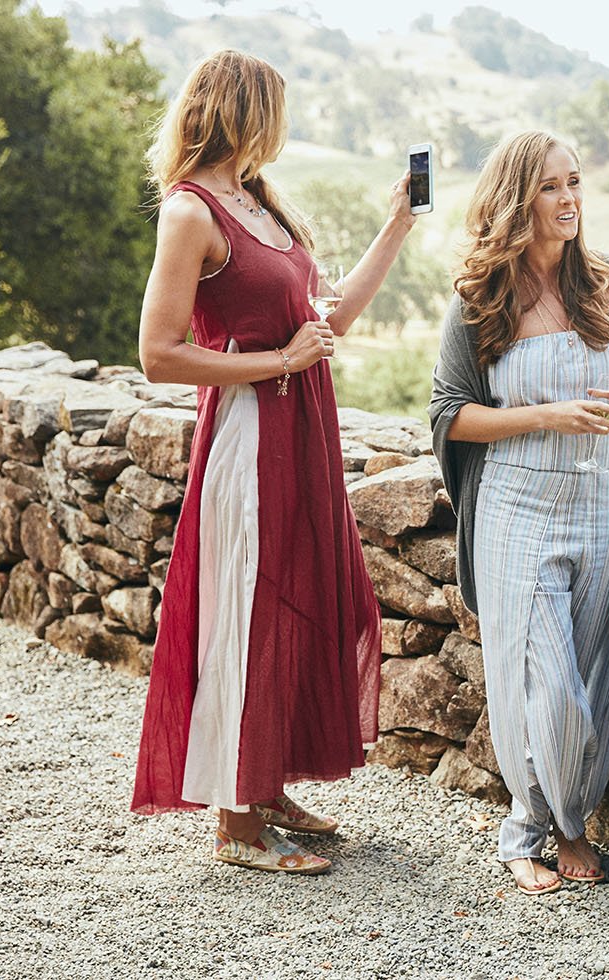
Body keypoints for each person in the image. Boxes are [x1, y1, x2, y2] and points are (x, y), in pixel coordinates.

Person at [132, 50, 420, 874]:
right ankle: (237, 826)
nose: (282, 128)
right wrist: (278, 366)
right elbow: (159, 354)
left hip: (305, 434)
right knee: (249, 608)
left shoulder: (261, 201)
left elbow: (325, 325)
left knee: (302, 604)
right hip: (251, 438)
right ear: (244, 110)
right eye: (276, 109)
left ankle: (266, 780)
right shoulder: (190, 213)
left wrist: (397, 224)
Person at [428, 130, 609, 897]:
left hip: (608, 500)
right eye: (552, 187)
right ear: (517, 200)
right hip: (519, 502)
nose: (570, 200)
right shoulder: (480, 300)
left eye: (576, 183)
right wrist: (544, 417)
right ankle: (526, 826)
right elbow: (450, 415)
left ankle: (569, 825)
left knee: (597, 673)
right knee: (544, 679)